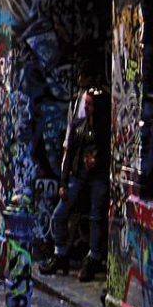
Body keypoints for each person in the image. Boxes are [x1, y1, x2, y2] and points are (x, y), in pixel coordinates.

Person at [40, 87, 111, 281]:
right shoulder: (79, 125)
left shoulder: (104, 131)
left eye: (90, 104)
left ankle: (94, 257)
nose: (86, 107)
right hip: (78, 178)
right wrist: (63, 182)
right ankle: (60, 253)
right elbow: (69, 154)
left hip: (97, 179)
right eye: (85, 103)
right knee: (59, 214)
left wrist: (97, 163)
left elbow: (107, 156)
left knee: (95, 217)